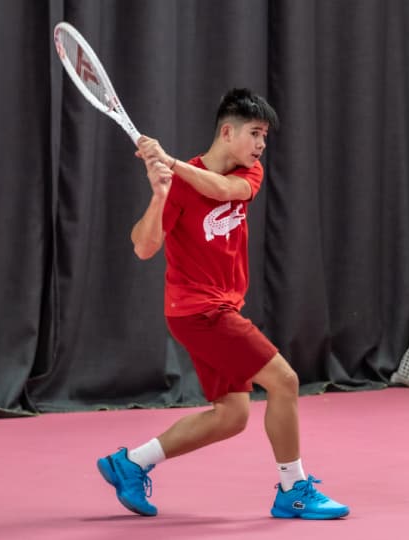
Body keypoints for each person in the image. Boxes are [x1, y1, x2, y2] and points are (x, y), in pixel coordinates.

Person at [96, 88, 349, 520]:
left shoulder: (248, 174)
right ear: (227, 132)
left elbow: (220, 188)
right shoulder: (178, 186)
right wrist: (160, 193)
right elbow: (143, 246)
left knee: (232, 415)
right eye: (255, 133)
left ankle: (130, 463)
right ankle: (294, 491)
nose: (261, 144)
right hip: (199, 312)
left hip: (218, 310)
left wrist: (170, 164)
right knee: (284, 381)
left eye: (264, 136)